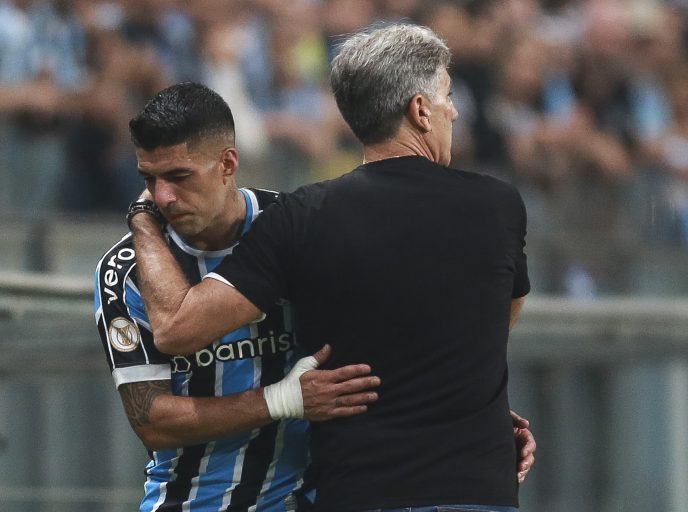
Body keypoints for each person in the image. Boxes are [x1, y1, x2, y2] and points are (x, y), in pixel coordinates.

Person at [128, 24, 534, 511]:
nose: (455, 109)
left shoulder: (304, 217)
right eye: (447, 95)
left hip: (362, 492)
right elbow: (494, 324)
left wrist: (144, 221)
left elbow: (176, 328)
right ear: (420, 110)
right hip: (479, 490)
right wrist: (470, 400)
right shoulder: (499, 206)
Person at [94, 82, 384, 511]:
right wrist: (279, 400)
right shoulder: (125, 269)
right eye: (149, 179)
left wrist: (474, 415)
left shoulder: (294, 229)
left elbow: (385, 340)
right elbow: (152, 419)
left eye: (178, 176)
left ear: (228, 164)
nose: (162, 198)